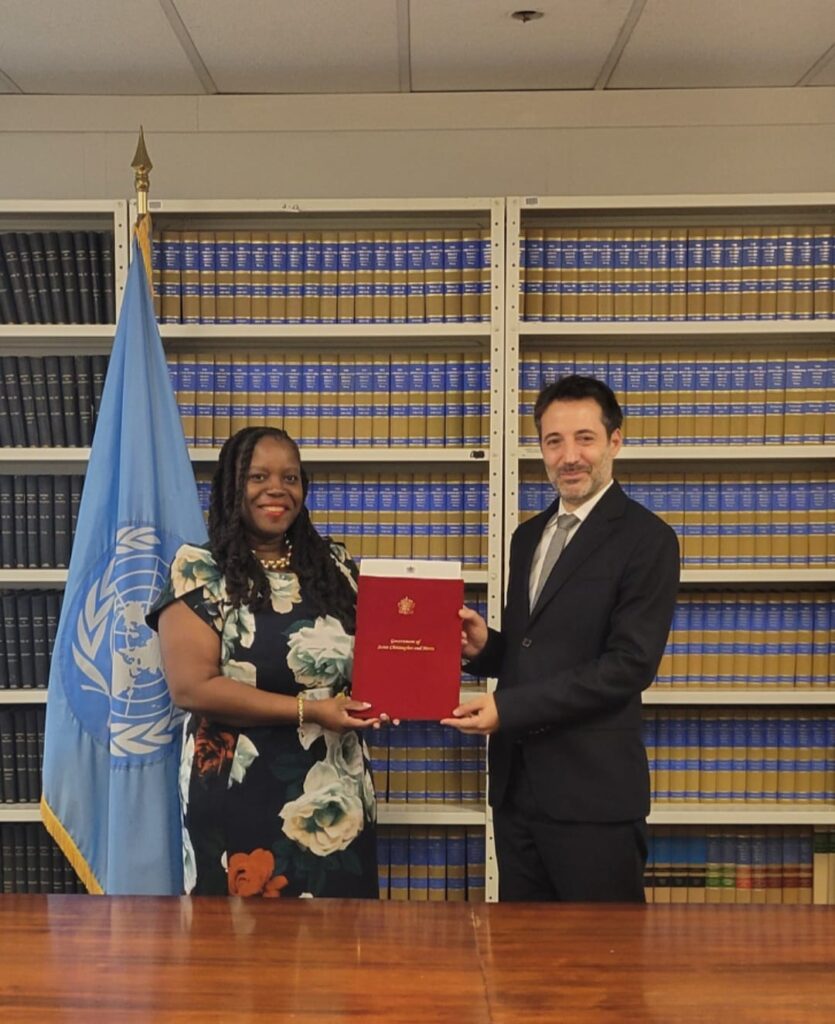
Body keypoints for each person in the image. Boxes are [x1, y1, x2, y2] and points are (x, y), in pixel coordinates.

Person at [443, 375, 680, 902]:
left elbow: (628, 665)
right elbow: (537, 650)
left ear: (615, 441)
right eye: (554, 441)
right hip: (516, 794)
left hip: (593, 799)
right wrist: (487, 649)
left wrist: (507, 708)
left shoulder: (649, 540)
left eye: (584, 439)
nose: (569, 456)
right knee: (520, 952)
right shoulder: (526, 537)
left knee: (601, 954)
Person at [147, 426, 380, 898]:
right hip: (237, 792)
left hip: (335, 793)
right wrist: (311, 710)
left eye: (290, 478)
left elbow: (374, 658)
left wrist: (413, 672)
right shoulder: (198, 568)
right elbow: (192, 687)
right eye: (258, 477)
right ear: (233, 486)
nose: (277, 489)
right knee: (240, 937)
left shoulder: (335, 565)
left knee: (340, 935)